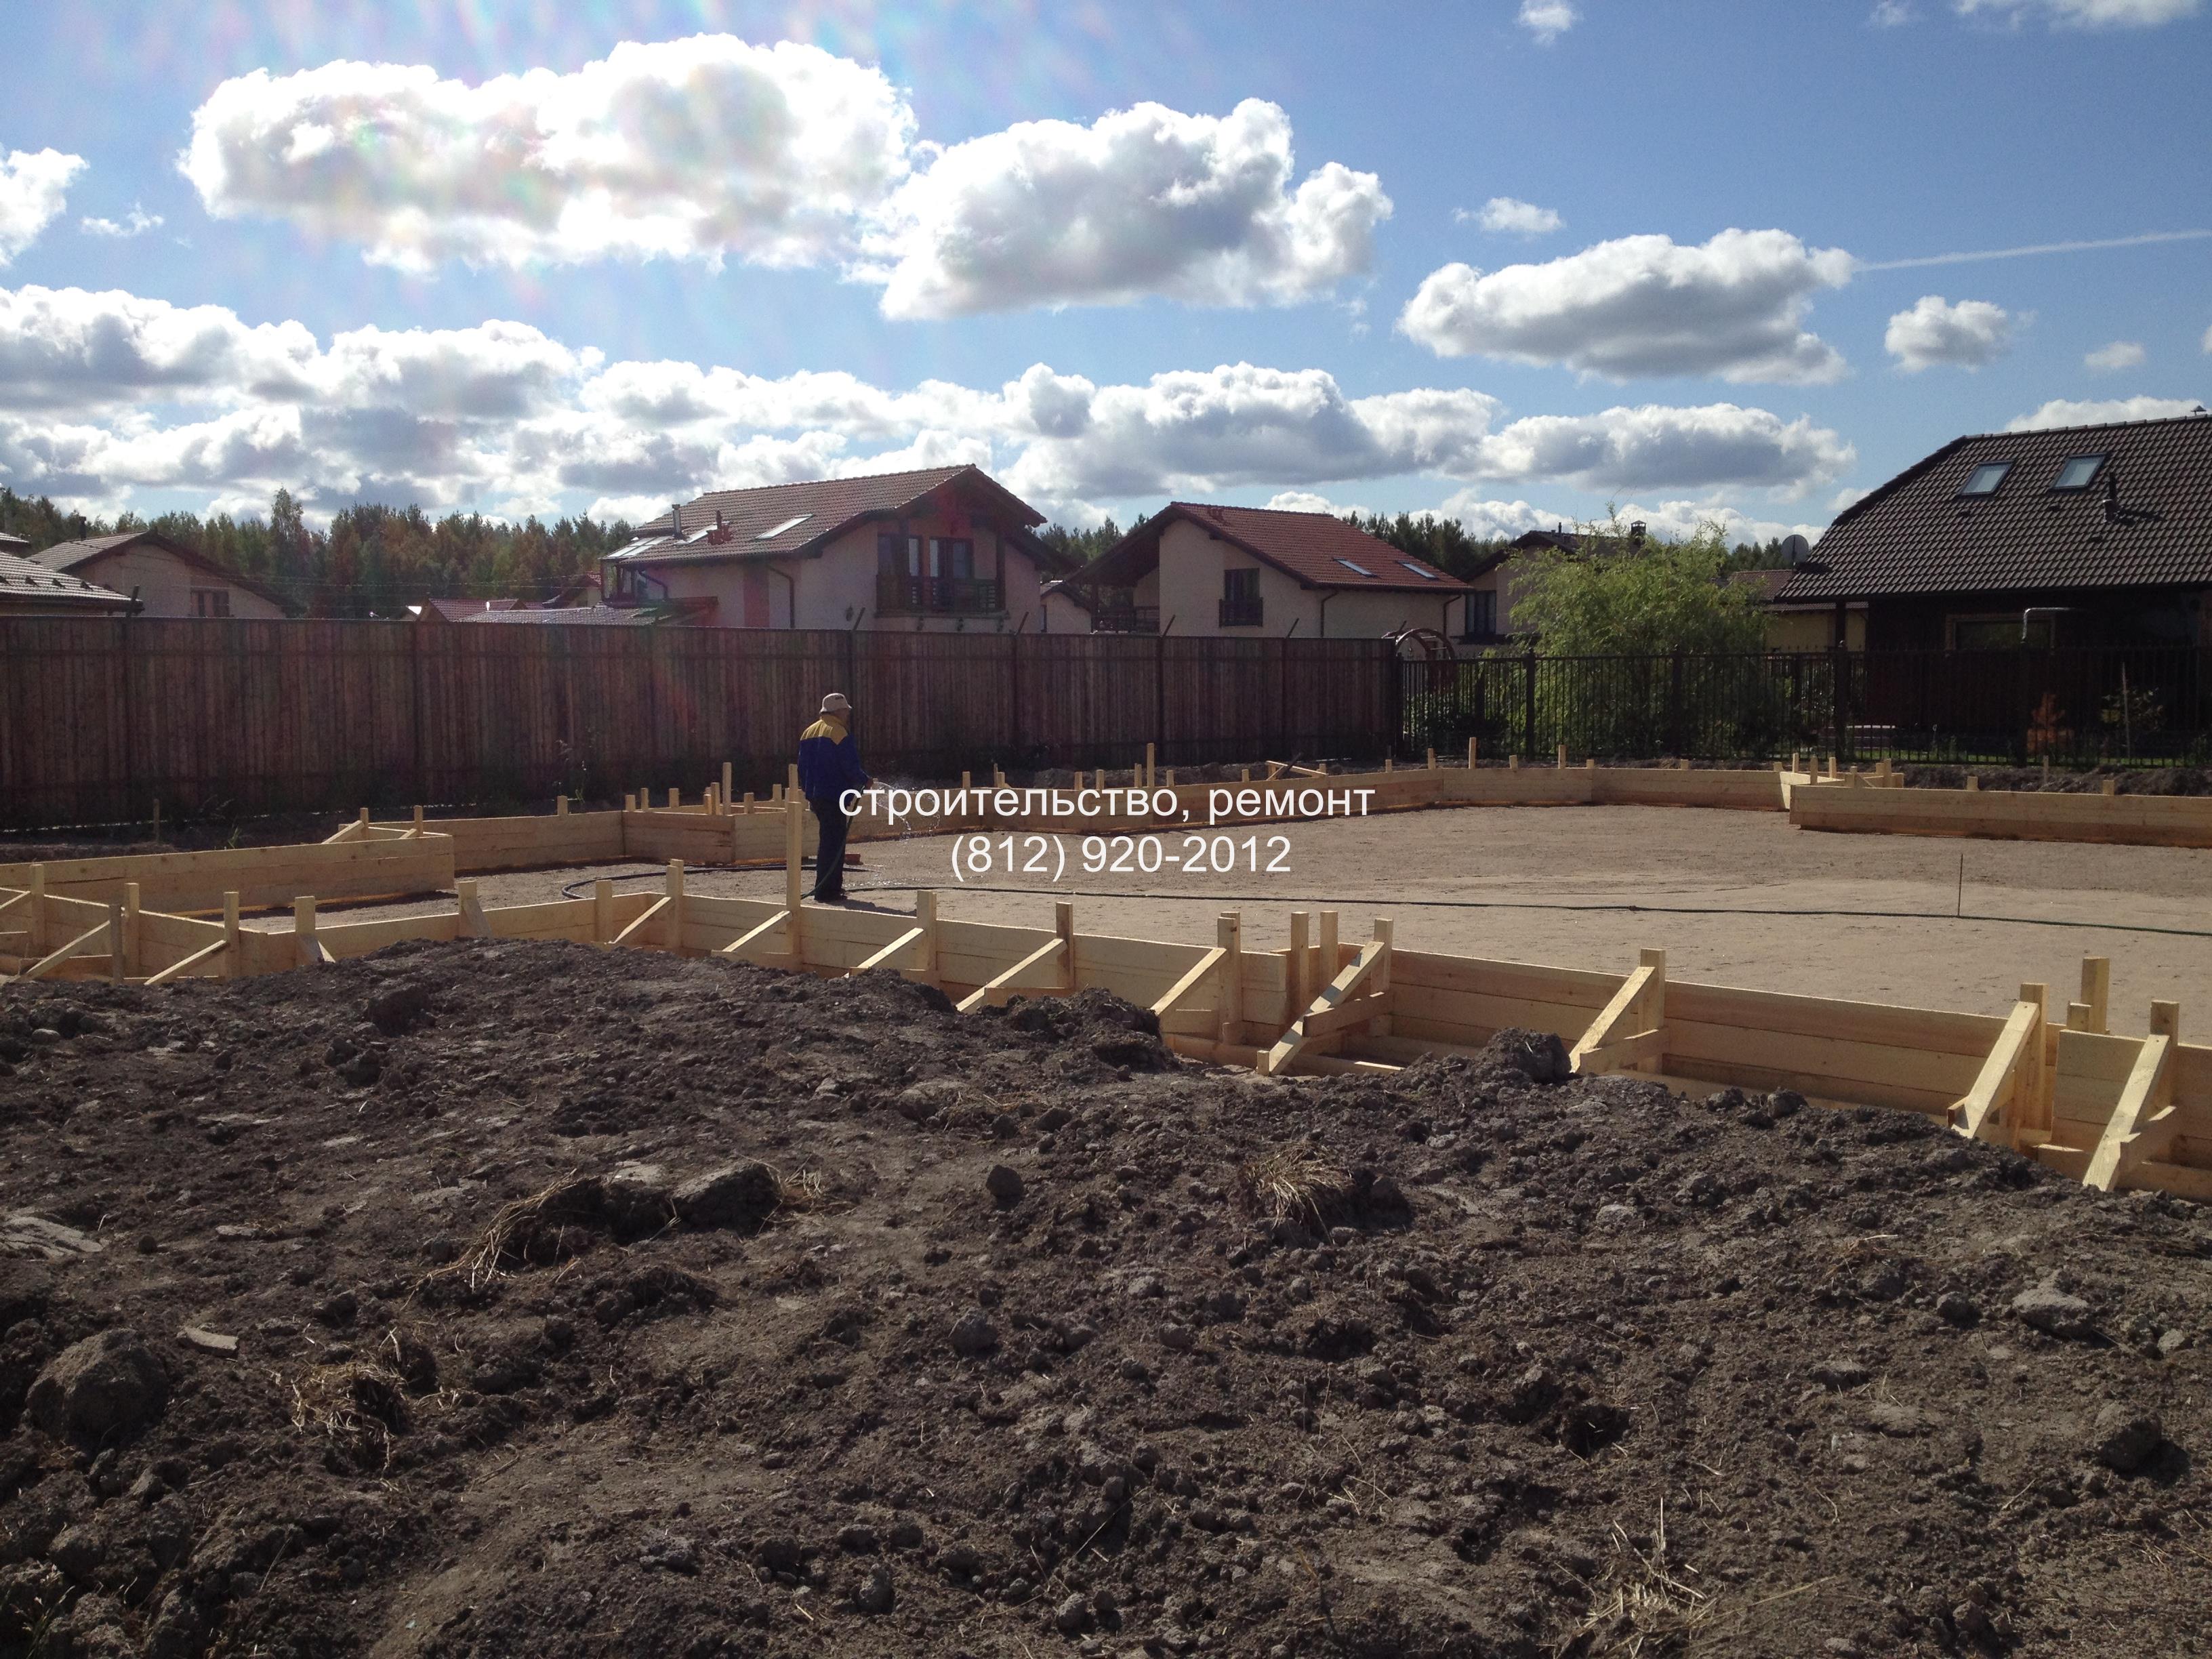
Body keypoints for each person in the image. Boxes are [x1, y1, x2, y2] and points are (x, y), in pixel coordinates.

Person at [796, 691, 869, 903]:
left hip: (816, 795)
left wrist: (808, 790)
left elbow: (802, 767)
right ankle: (827, 891)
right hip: (834, 794)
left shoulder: (808, 732)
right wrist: (863, 780)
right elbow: (849, 764)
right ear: (838, 711)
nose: (847, 714)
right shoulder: (838, 732)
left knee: (828, 840)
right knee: (834, 843)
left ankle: (828, 887)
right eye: (845, 710)